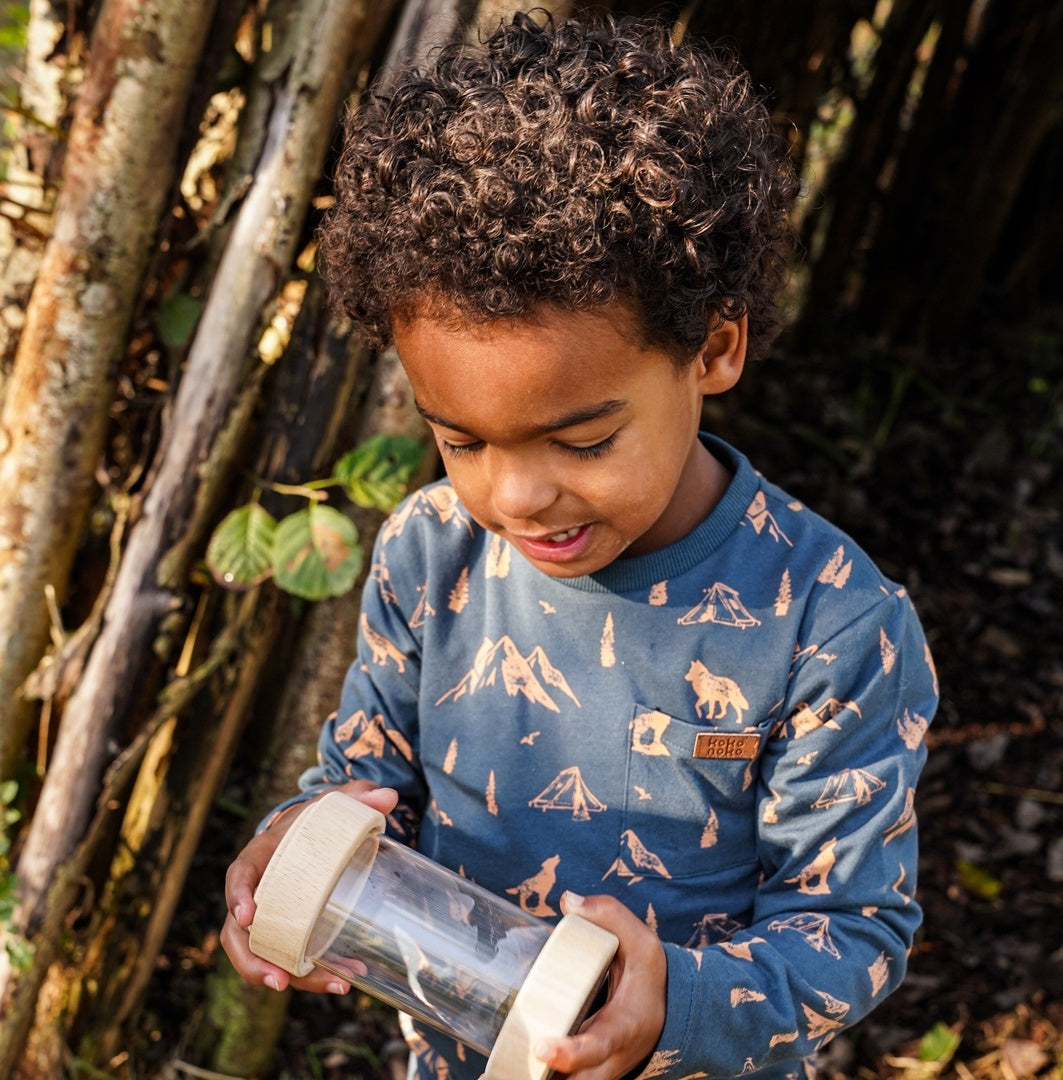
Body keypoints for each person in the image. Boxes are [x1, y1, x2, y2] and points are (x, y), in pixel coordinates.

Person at [221, 11, 939, 1080]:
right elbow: (367, 778)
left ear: (715, 348)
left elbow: (851, 932)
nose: (515, 494)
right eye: (459, 438)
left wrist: (673, 1009)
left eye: (584, 438)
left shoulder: (827, 623)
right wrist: (296, 847)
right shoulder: (429, 554)